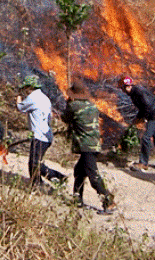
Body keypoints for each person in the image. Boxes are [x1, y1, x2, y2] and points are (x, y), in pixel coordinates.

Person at [61, 80, 115, 212]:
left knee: (93, 176)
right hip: (95, 144)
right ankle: (77, 199)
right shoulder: (92, 106)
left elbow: (65, 119)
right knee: (79, 171)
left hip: (86, 146)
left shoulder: (74, 106)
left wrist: (69, 104)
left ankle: (109, 202)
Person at [16, 75, 66, 186]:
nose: (24, 90)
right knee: (35, 162)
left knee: (34, 163)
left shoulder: (33, 98)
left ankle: (53, 178)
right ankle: (39, 182)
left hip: (40, 136)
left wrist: (18, 95)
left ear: (29, 87)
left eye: (25, 88)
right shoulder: (44, 97)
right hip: (46, 135)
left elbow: (20, 107)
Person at [119, 76, 155, 171]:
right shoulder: (133, 93)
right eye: (122, 88)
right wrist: (138, 118)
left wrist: (144, 118)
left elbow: (147, 106)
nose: (123, 90)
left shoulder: (138, 92)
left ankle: (143, 163)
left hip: (154, 115)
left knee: (146, 137)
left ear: (128, 86)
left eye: (124, 88)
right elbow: (142, 107)